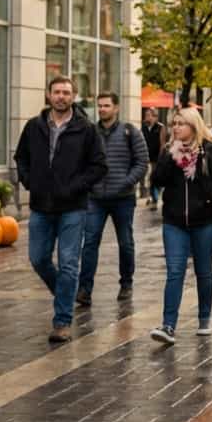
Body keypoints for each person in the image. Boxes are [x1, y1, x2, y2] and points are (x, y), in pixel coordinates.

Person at [14, 76, 108, 344]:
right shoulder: (34, 127)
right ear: (48, 95)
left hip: (73, 207)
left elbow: (99, 166)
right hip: (41, 206)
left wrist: (75, 186)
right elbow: (21, 157)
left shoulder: (86, 129)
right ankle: (65, 294)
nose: (61, 97)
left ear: (74, 96)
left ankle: (62, 322)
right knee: (38, 259)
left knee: (68, 264)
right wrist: (30, 180)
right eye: (56, 92)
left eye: (66, 93)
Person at [148, 107, 212, 345]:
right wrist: (167, 157)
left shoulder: (211, 152)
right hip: (174, 222)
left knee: (203, 271)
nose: (175, 128)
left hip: (205, 221)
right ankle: (168, 326)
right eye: (174, 124)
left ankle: (204, 319)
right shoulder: (168, 152)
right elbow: (157, 181)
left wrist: (208, 197)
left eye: (180, 124)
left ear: (193, 126)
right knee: (175, 272)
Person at [77, 92, 148, 306]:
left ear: (116, 108)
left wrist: (127, 182)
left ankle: (126, 283)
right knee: (89, 243)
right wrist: (87, 183)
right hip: (95, 198)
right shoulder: (90, 133)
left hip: (123, 198)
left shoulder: (130, 132)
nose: (102, 109)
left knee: (125, 243)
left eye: (106, 106)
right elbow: (82, 161)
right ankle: (85, 289)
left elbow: (142, 162)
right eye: (99, 106)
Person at [140, 107, 167, 208]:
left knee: (154, 178)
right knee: (144, 177)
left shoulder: (160, 127)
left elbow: (162, 144)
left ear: (155, 117)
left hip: (156, 158)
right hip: (145, 156)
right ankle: (148, 196)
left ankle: (154, 198)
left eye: (149, 115)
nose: (147, 118)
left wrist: (160, 158)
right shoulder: (143, 127)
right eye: (145, 115)